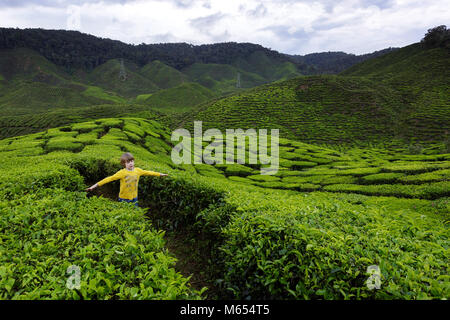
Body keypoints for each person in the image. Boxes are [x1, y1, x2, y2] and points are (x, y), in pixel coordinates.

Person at [86, 152, 168, 207]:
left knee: (134, 214)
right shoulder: (122, 173)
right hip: (124, 198)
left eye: (132, 161)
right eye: (128, 162)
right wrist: (94, 186)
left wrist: (160, 174)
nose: (131, 163)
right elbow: (109, 179)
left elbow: (149, 172)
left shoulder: (138, 170)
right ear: (124, 164)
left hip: (134, 197)